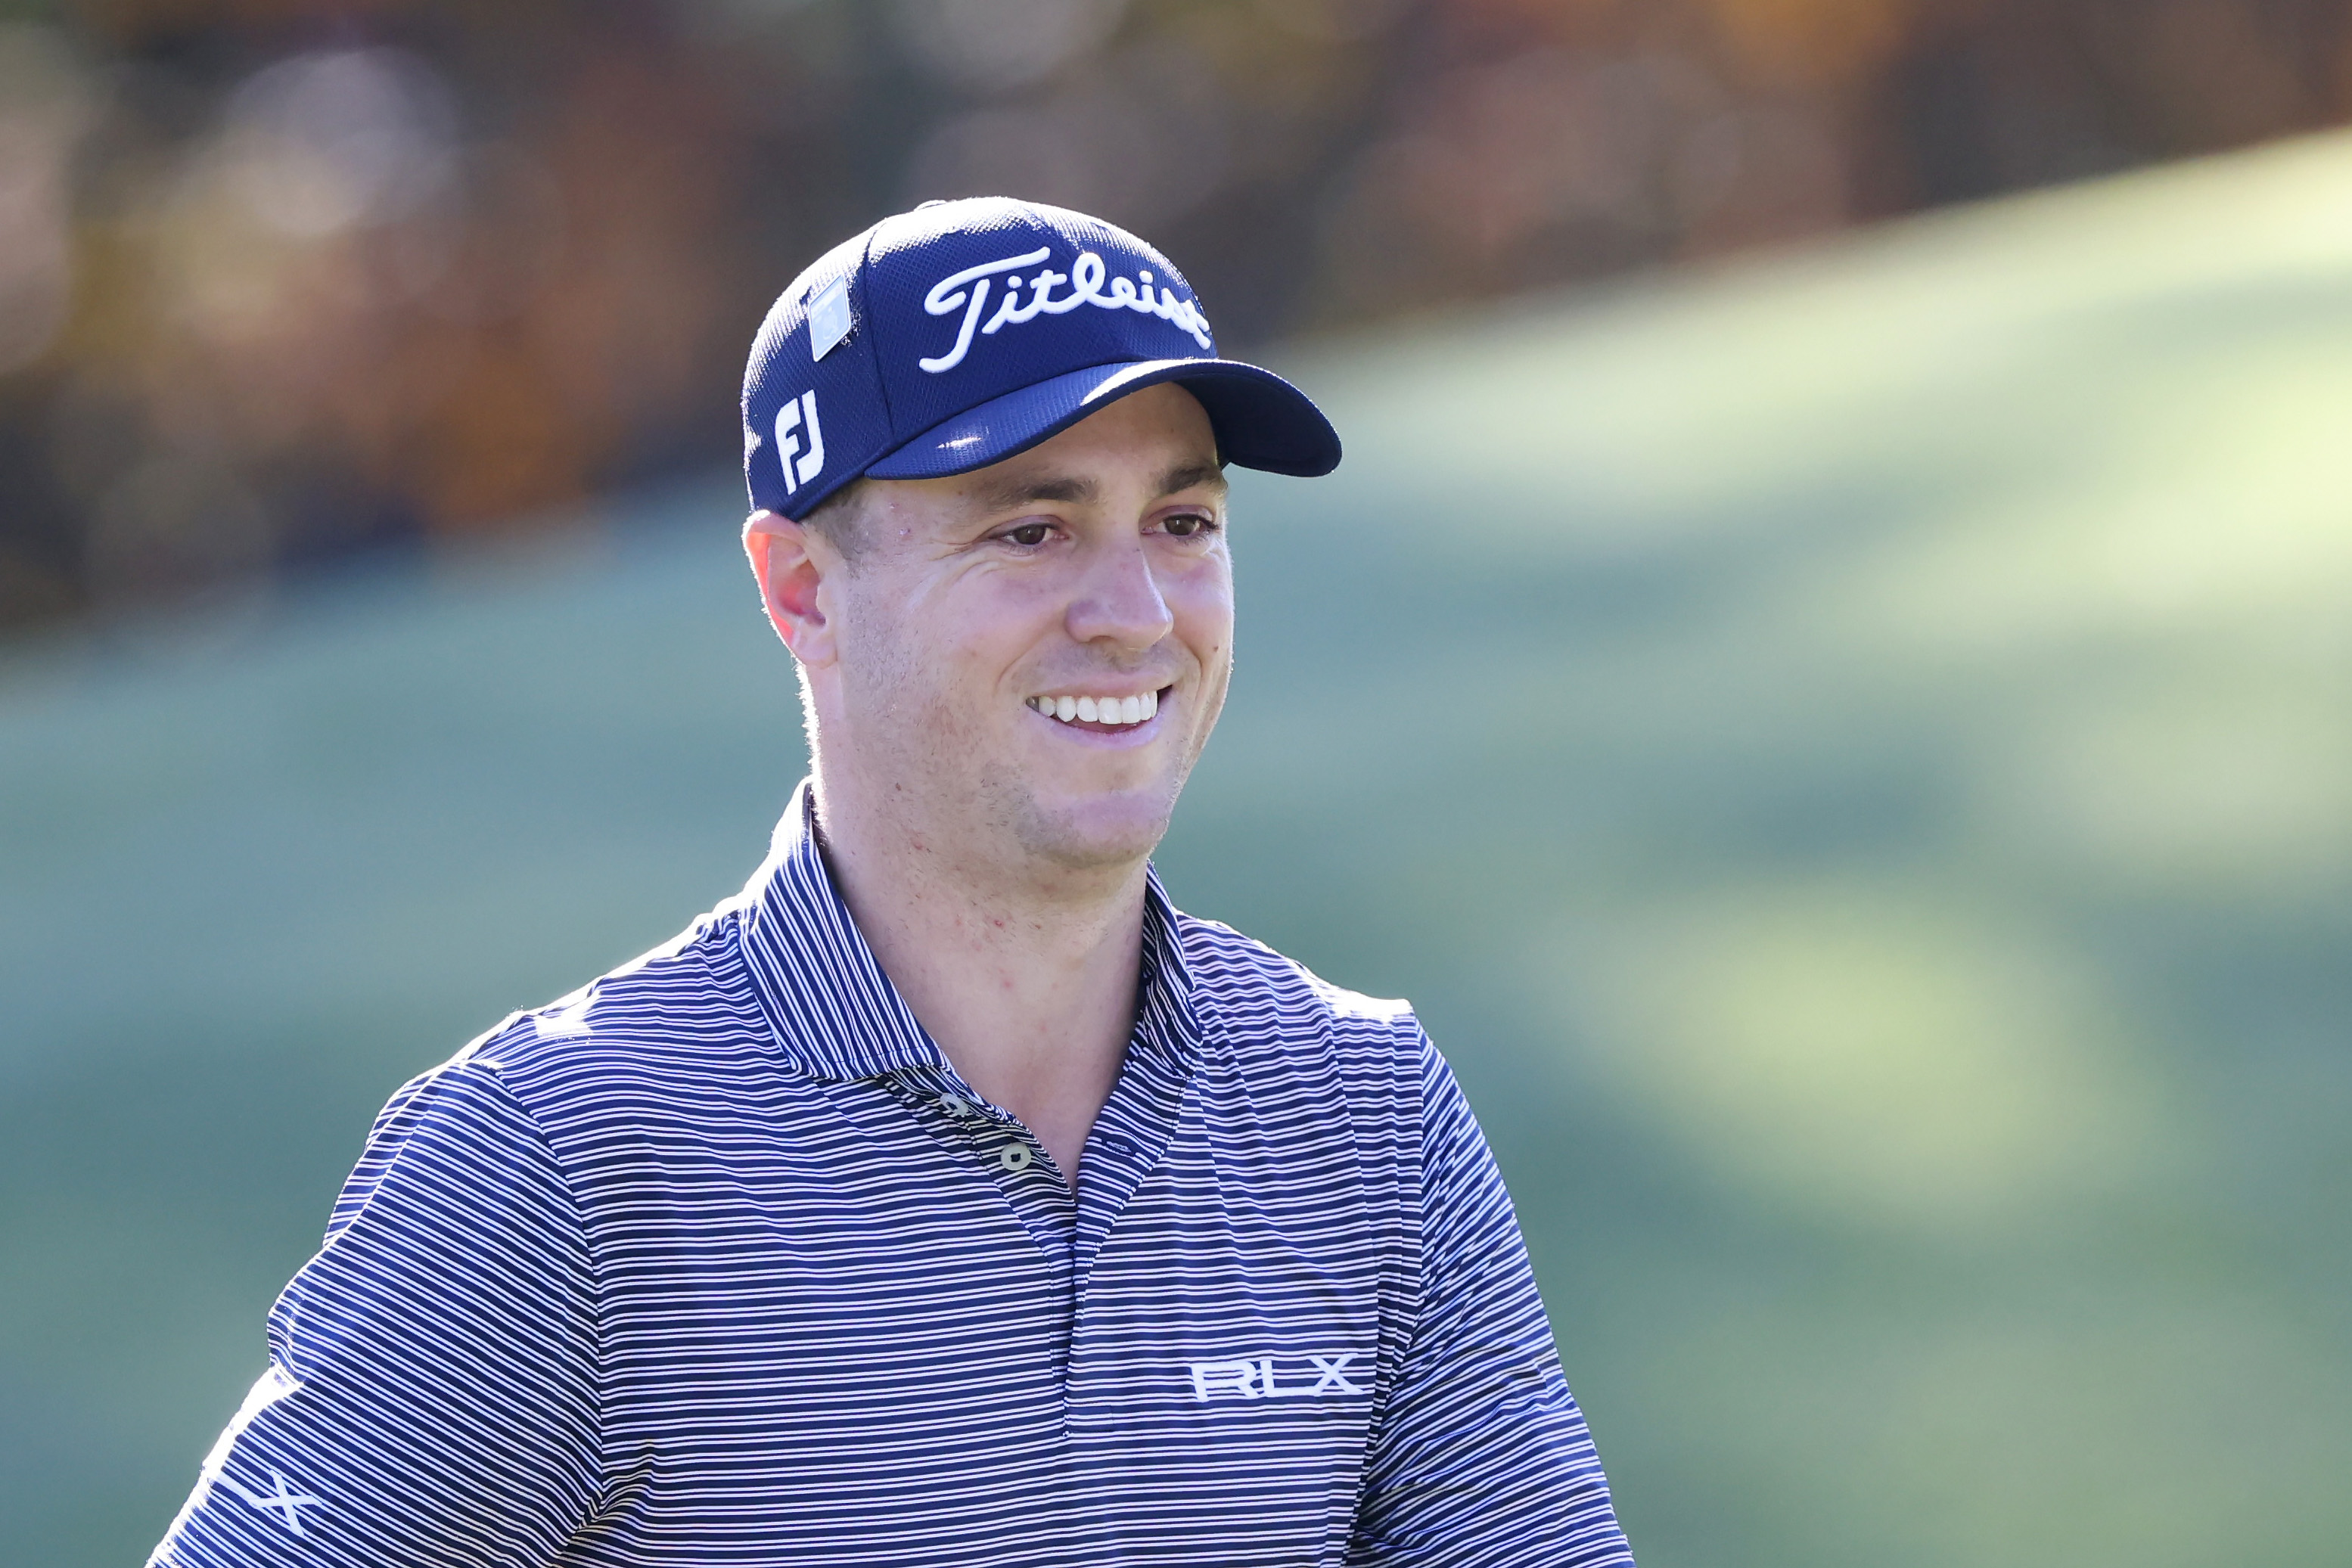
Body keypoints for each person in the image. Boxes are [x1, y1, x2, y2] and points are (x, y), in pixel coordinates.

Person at [150, 197, 1635, 1567]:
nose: (1133, 614)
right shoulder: (566, 1158)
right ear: (802, 589)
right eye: (1031, 526)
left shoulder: (1360, 1112)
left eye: (1181, 522)